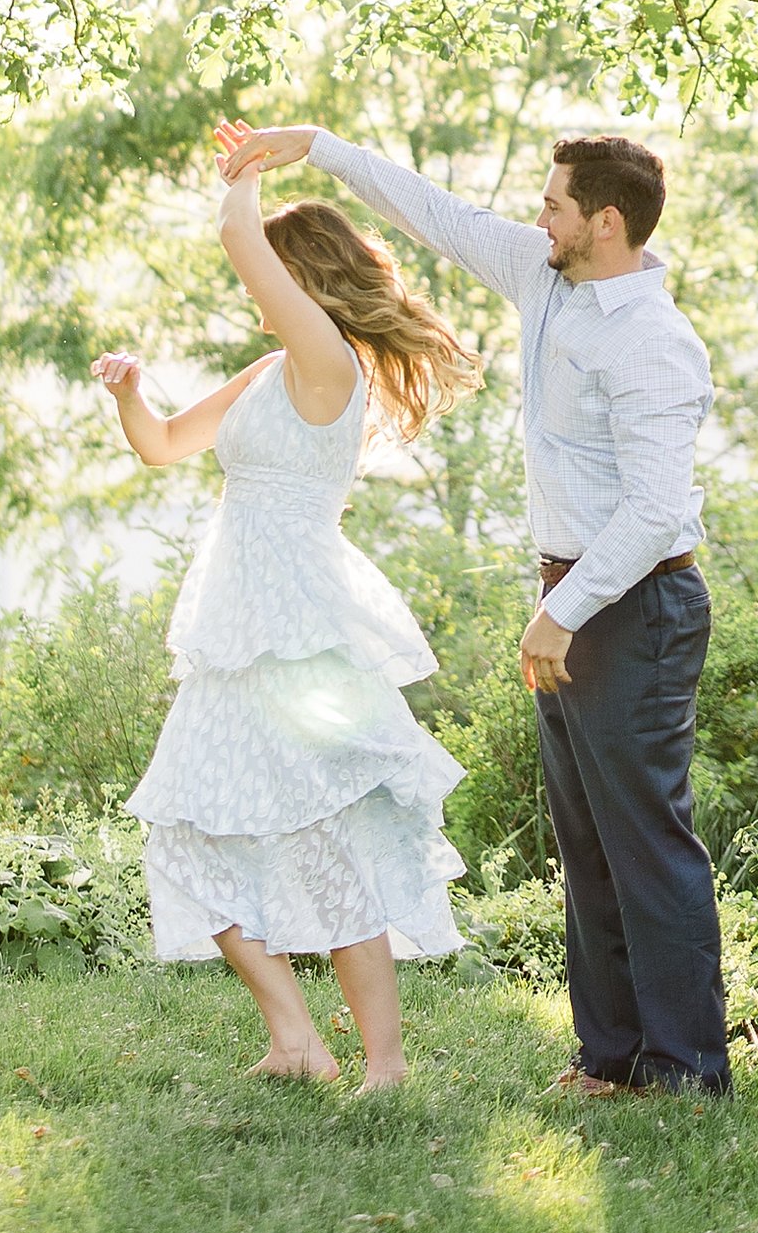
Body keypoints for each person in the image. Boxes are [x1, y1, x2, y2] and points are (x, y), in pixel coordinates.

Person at [214, 118, 726, 1101]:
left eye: (554, 205)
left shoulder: (654, 341)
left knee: (646, 840)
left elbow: (656, 508)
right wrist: (317, 144)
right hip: (571, 594)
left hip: (634, 604)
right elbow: (433, 213)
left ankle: (688, 1070)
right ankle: (611, 1057)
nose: (538, 218)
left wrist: (563, 611)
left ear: (605, 222)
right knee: (587, 840)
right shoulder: (544, 272)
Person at [95, 147, 479, 1091]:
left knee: (328, 839)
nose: (254, 294)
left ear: (301, 276)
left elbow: (237, 231)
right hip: (236, 635)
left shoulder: (324, 363)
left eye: (271, 274)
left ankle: (382, 1066)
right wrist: (128, 391)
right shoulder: (273, 367)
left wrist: (245, 167)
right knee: (189, 824)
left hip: (303, 629)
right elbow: (163, 446)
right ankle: (297, 1041)